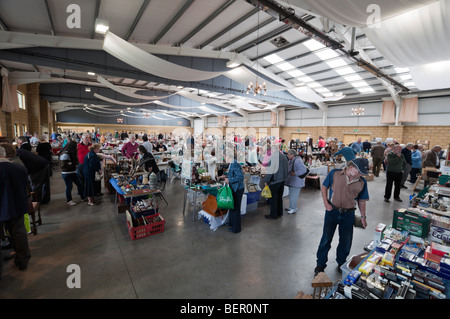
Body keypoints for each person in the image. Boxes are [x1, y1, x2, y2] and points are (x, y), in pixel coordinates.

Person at [314, 158, 369, 276]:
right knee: (326, 239)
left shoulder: (362, 182)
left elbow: (362, 201)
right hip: (332, 211)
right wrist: (326, 203)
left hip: (348, 214)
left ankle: (341, 262)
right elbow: (324, 187)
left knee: (346, 241)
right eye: (359, 171)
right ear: (351, 167)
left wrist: (363, 217)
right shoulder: (335, 173)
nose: (360, 174)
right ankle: (320, 264)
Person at [0, 146, 31, 276]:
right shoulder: (18, 168)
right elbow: (27, 186)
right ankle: (22, 260)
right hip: (15, 205)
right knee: (19, 233)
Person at [263, 148, 289, 220]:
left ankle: (273, 215)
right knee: (279, 197)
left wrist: (266, 180)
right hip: (282, 180)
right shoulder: (283, 156)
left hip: (275, 181)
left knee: (273, 199)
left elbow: (270, 170)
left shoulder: (273, 157)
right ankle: (279, 213)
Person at [60, 141, 85, 206]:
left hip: (73, 172)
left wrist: (71, 163)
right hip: (66, 174)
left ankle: (83, 197)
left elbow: (75, 163)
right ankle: (69, 200)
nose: (77, 147)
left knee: (80, 184)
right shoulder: (65, 154)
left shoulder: (72, 153)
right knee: (69, 187)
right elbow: (63, 166)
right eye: (76, 146)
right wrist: (71, 164)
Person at [223, 158, 245, 233]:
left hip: (237, 189)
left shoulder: (234, 163)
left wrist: (229, 180)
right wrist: (226, 176)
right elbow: (233, 173)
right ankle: (231, 223)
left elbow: (240, 177)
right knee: (232, 207)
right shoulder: (232, 162)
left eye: (224, 155)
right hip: (234, 188)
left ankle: (236, 229)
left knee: (235, 209)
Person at [285, 149, 307, 214]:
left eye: (288, 155)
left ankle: (293, 208)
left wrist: (295, 173)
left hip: (296, 182)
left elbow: (304, 170)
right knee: (291, 195)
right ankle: (291, 207)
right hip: (293, 182)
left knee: (293, 196)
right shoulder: (292, 160)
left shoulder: (298, 161)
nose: (287, 156)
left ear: (292, 155)